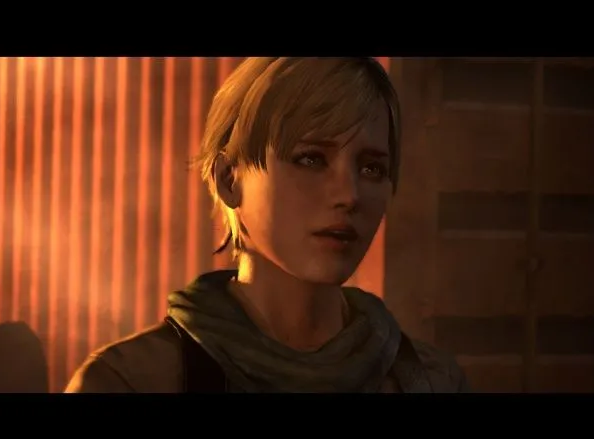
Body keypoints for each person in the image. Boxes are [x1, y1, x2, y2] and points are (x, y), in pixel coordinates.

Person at [65, 57, 469, 393]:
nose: (349, 194)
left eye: (371, 168)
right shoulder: (132, 381)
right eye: (311, 159)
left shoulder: (431, 381)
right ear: (229, 180)